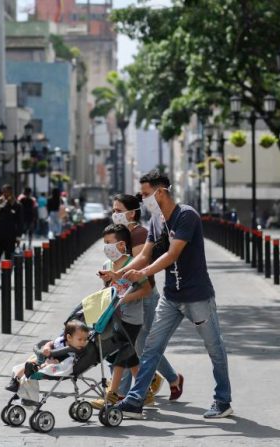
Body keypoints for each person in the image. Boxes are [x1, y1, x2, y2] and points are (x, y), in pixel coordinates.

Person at [102, 169, 232, 419]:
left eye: (146, 194)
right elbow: (144, 254)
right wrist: (121, 273)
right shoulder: (156, 220)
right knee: (151, 347)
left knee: (214, 348)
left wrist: (143, 274)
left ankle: (223, 400)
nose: (143, 199)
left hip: (197, 296)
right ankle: (134, 401)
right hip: (171, 297)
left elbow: (173, 254)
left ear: (160, 191)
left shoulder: (186, 216)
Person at [111, 194, 184, 407]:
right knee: (140, 344)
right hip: (132, 296)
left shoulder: (140, 234)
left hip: (145, 295)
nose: (114, 214)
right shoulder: (126, 233)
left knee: (138, 343)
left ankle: (123, 392)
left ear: (131, 213)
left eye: (118, 210)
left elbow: (138, 269)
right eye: (113, 210)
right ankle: (168, 379)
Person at [91, 224, 151, 410]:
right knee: (128, 355)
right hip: (113, 318)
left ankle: (111, 394)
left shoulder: (132, 265)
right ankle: (146, 392)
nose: (106, 247)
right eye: (104, 243)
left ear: (121, 245)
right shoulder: (106, 265)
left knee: (120, 354)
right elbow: (108, 290)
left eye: (109, 243)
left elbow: (146, 290)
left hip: (131, 319)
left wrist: (125, 299)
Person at [5, 320, 91, 392]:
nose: (83, 342)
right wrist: (47, 348)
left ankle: (36, 369)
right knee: (32, 361)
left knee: (50, 364)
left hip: (60, 364)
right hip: (50, 357)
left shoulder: (80, 348)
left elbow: (77, 359)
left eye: (85, 339)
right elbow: (50, 343)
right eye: (80, 339)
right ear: (69, 337)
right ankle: (15, 380)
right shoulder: (61, 341)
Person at [0, 184, 23, 266]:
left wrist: (18, 237)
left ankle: (7, 277)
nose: (5, 194)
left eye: (7, 191)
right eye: (3, 191)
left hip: (10, 236)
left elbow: (20, 222)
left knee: (9, 258)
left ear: (11, 192)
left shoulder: (17, 205)